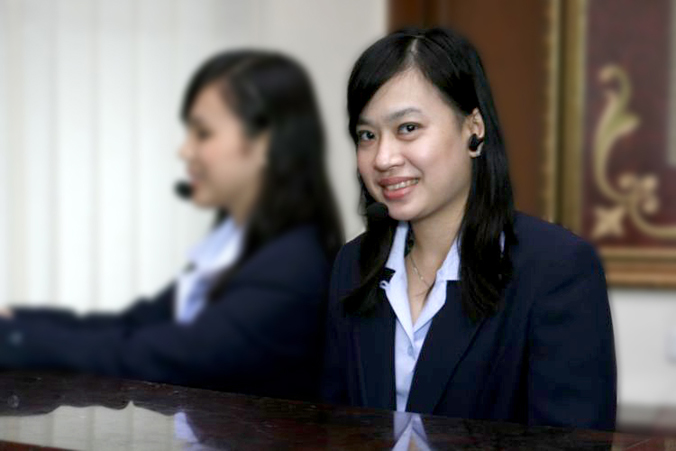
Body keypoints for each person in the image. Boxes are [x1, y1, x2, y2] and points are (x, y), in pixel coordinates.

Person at [0, 49, 343, 401]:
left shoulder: (291, 267)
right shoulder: (234, 248)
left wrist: (15, 338)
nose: (184, 151)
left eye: (203, 133)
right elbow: (133, 326)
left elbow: (164, 355)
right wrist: (14, 322)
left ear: (264, 143)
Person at [322, 27, 616, 430]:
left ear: (473, 127)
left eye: (407, 128)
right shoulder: (353, 265)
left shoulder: (556, 270)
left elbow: (571, 442)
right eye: (367, 135)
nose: (383, 158)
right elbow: (334, 429)